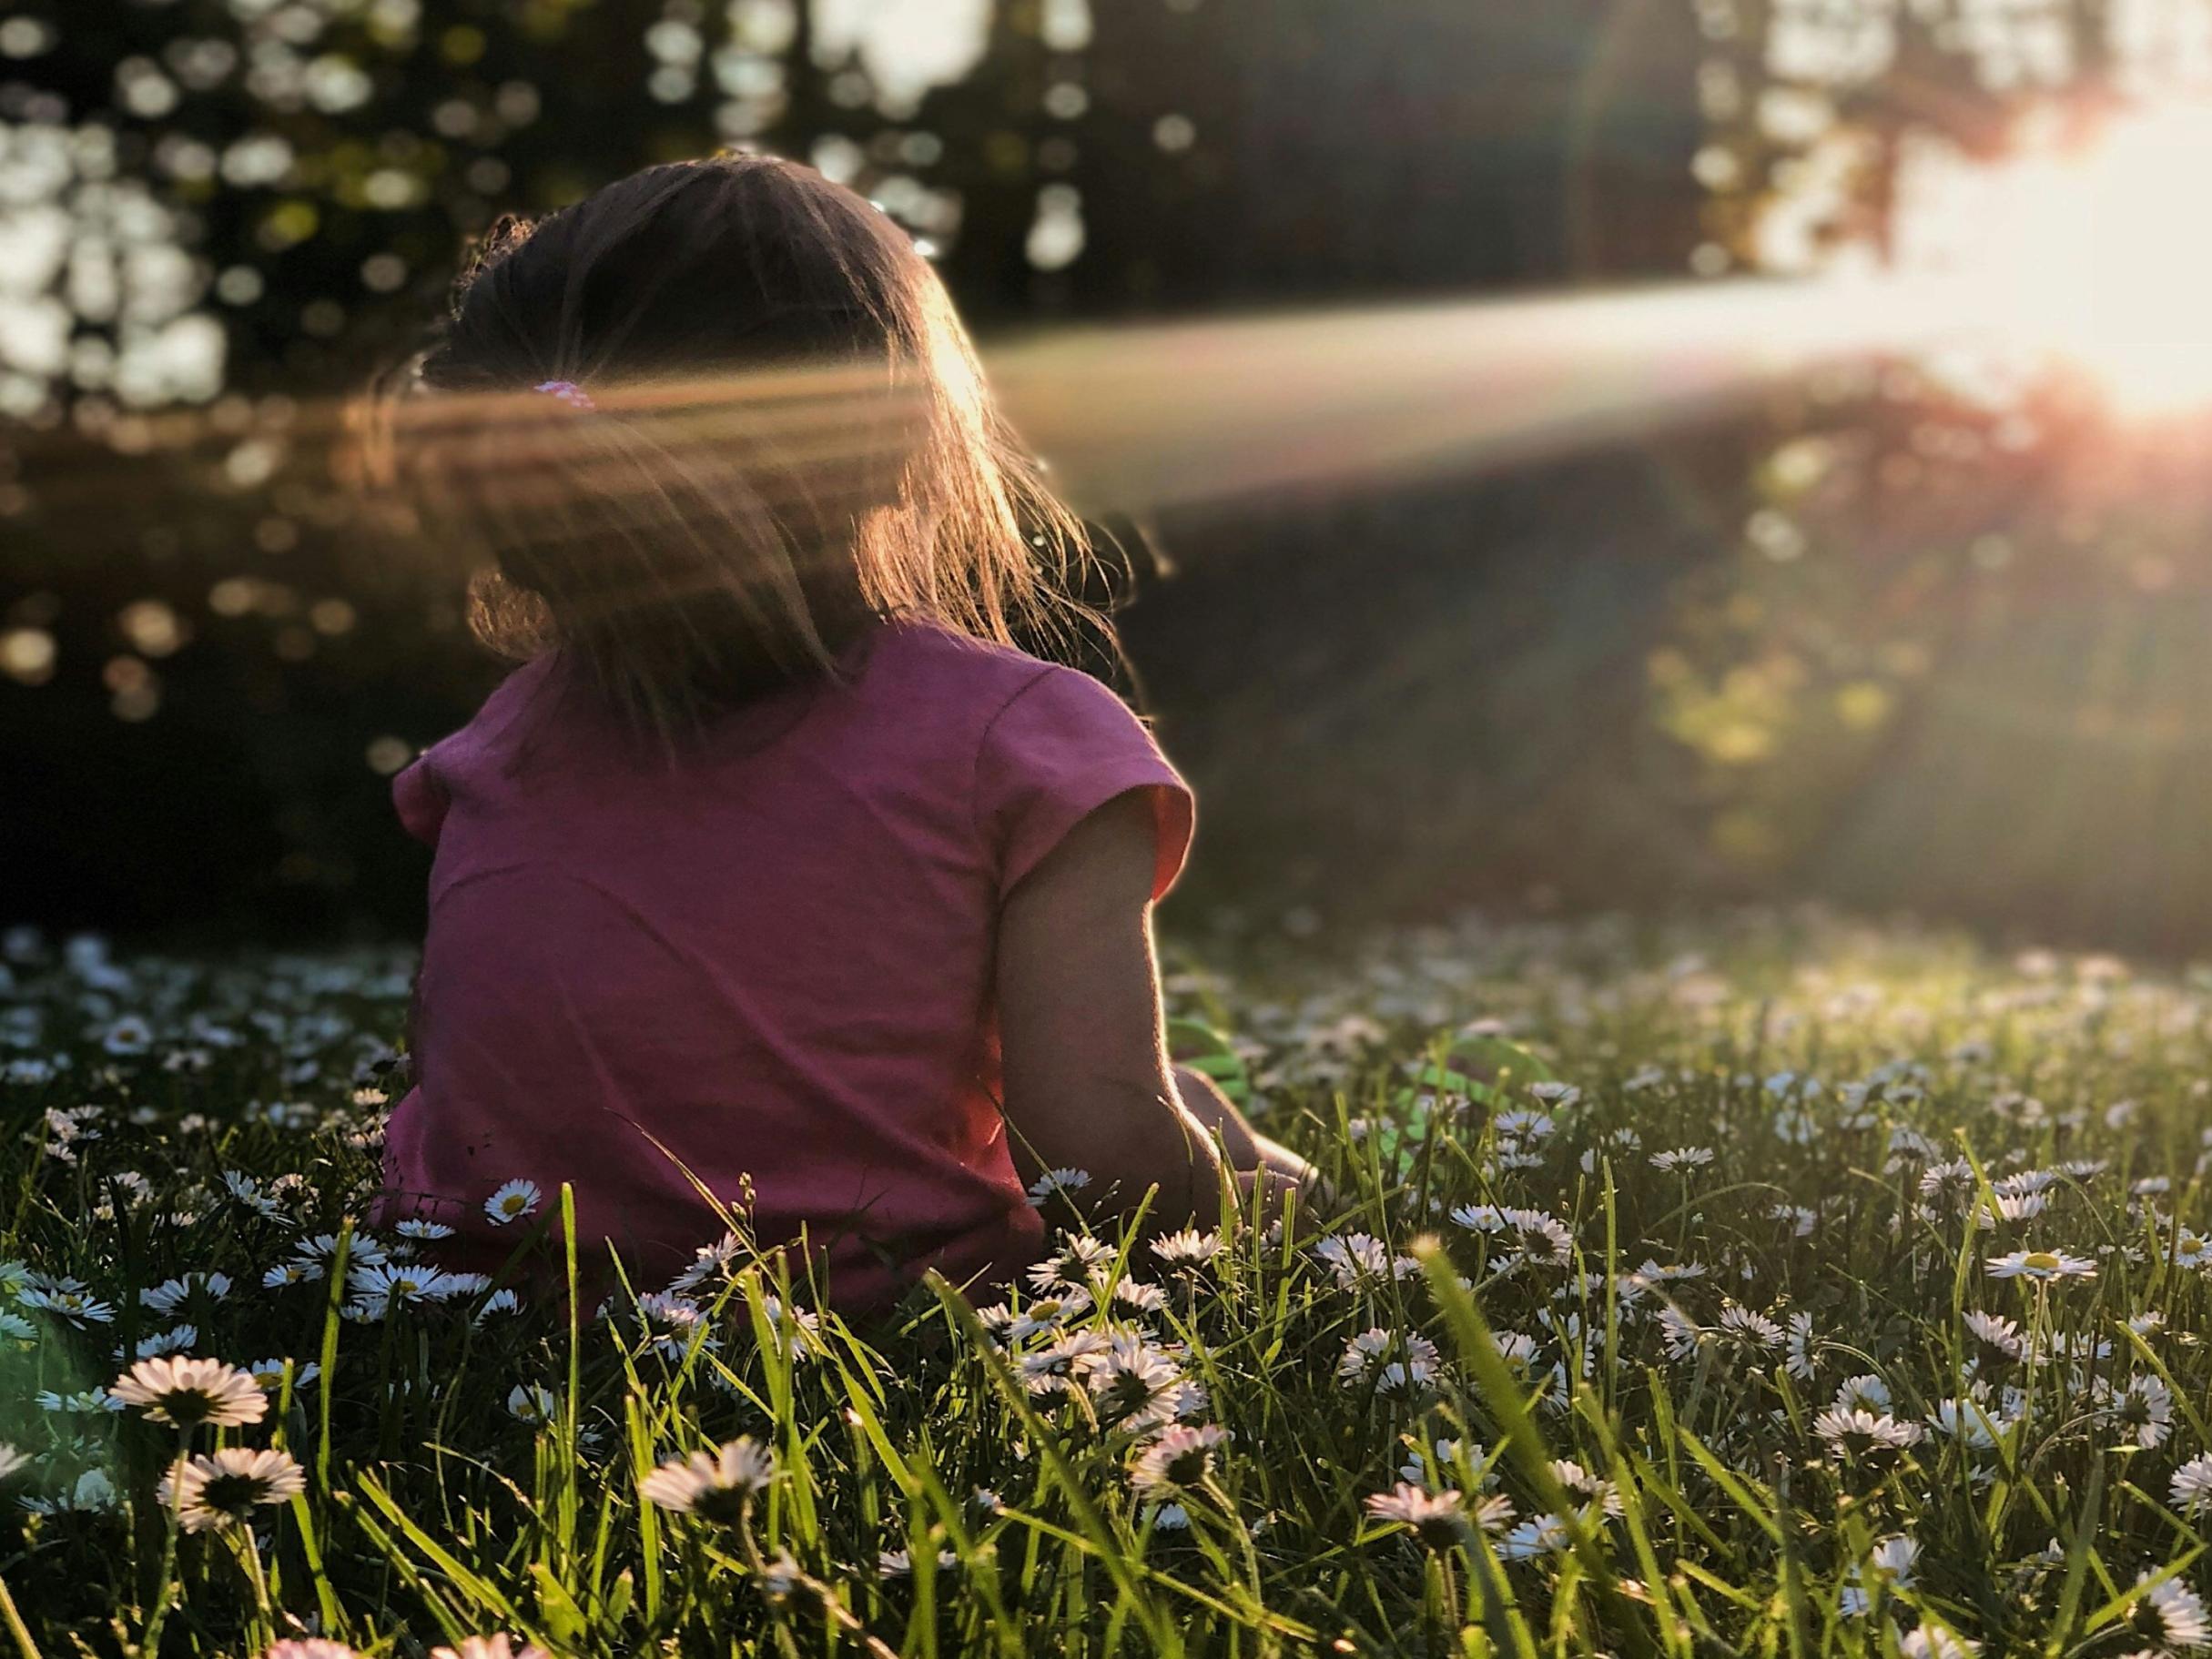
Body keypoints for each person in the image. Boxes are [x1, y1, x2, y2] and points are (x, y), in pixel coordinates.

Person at [370, 154, 1314, 1312]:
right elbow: (1104, 1167)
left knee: (1178, 1096)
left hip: (485, 1306)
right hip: (876, 1322)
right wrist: (1262, 1194)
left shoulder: (498, 741)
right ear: (895, 439)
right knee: (1193, 1125)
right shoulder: (1025, 742)